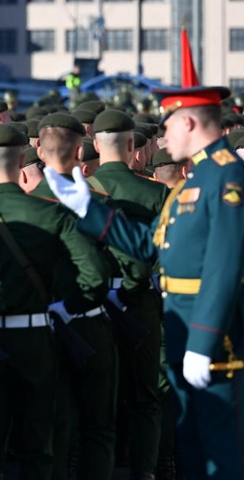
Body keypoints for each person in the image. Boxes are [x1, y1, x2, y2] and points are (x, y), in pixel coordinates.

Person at [43, 86, 244, 479]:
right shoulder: (196, 181)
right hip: (185, 327)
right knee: (194, 445)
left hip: (212, 335)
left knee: (221, 447)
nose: (162, 138)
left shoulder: (226, 178)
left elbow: (224, 266)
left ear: (189, 123)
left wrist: (204, 338)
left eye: (169, 126)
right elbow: (151, 245)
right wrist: (87, 208)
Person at [0, 124, 107, 480]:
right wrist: (66, 306)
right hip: (34, 337)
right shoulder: (50, 214)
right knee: (38, 444)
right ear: (23, 162)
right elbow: (93, 276)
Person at [88, 109, 170, 480]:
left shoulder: (80, 190)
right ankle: (144, 472)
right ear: (134, 145)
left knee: (95, 405)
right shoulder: (155, 191)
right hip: (139, 303)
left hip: (90, 306)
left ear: (94, 145)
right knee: (144, 399)